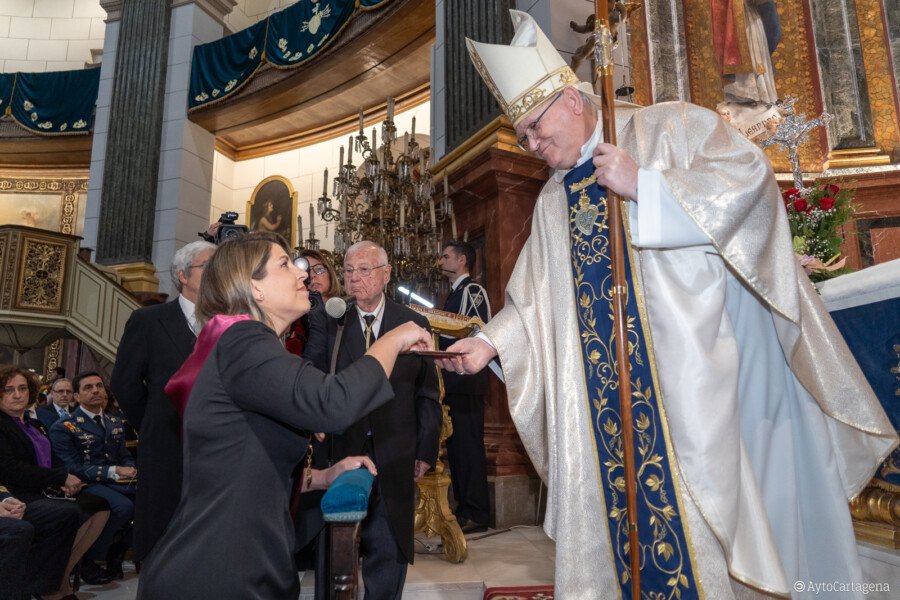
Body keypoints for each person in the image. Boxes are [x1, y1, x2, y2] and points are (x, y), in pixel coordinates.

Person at [440, 10, 898, 599]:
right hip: (606, 401)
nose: (532, 145)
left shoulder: (669, 128)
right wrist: (488, 344)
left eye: (534, 126)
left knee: (704, 512)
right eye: (523, 136)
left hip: (689, 382)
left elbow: (750, 183)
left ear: (571, 100)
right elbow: (533, 304)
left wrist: (647, 187)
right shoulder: (554, 203)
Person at [137, 232, 433, 600]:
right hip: (220, 566)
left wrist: (323, 476)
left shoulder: (243, 343)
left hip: (246, 557)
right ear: (253, 288)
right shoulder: (244, 341)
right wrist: (393, 340)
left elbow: (248, 455)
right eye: (284, 264)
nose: (302, 274)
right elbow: (333, 403)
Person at [303, 240, 442, 600]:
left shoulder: (412, 322)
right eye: (349, 271)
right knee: (336, 546)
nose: (354, 279)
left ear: (385, 275)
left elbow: (426, 394)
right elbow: (314, 372)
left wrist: (426, 450)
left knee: (388, 539)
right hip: (340, 445)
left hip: (395, 447)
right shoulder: (329, 317)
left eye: (364, 270)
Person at [110, 239, 216, 564]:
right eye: (207, 266)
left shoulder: (226, 323)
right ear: (183, 275)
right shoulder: (149, 320)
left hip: (216, 448)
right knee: (163, 539)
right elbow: (125, 384)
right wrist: (157, 422)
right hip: (166, 448)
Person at [0, 366, 112, 593]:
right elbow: (11, 470)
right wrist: (61, 477)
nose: (17, 394)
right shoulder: (2, 425)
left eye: (22, 388)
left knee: (97, 506)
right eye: (8, 390)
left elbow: (54, 458)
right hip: (18, 492)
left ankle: (58, 575)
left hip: (44, 488)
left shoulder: (35, 424)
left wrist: (65, 478)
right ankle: (46, 584)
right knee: (68, 513)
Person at [50, 372, 136, 580]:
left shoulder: (114, 422)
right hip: (86, 483)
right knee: (122, 506)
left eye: (99, 386)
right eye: (88, 387)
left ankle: (119, 547)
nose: (96, 390)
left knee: (153, 500)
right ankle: (89, 558)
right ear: (77, 397)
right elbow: (72, 467)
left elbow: (124, 455)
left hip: (117, 480)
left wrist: (131, 468)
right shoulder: (65, 426)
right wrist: (114, 471)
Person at [437, 240, 491, 533]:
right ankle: (464, 507)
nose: (440, 260)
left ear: (462, 261)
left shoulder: (472, 291)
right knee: (457, 448)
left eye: (446, 256)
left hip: (467, 379)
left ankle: (477, 512)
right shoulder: (453, 293)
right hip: (453, 379)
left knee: (469, 447)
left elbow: (473, 327)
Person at [285, 249, 341, 356]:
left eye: (319, 269)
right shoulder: (297, 320)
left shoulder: (345, 308)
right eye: (307, 271)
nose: (312, 276)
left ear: (330, 273)